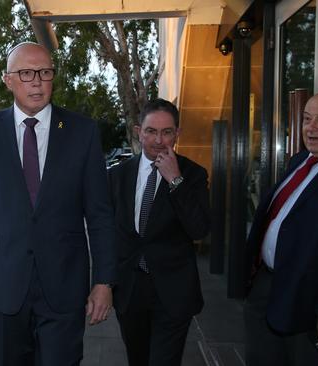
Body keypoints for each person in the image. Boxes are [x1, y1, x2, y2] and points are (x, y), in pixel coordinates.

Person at [0, 42, 116, 365]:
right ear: (8, 80)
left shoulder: (82, 132)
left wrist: (104, 281)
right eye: (26, 73)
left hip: (64, 287)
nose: (37, 81)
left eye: (45, 72)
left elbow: (100, 214)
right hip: (2, 287)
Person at [244, 88, 318, 366]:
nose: (311, 128)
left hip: (307, 303)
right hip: (266, 285)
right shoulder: (300, 160)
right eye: (307, 119)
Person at [108, 98, 210, 366]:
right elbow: (108, 233)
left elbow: (199, 229)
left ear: (177, 134)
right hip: (130, 290)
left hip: (173, 292)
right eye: (151, 131)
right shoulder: (118, 176)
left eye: (167, 132)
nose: (158, 140)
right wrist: (105, 283)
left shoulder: (193, 174)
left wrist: (175, 180)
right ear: (138, 131)